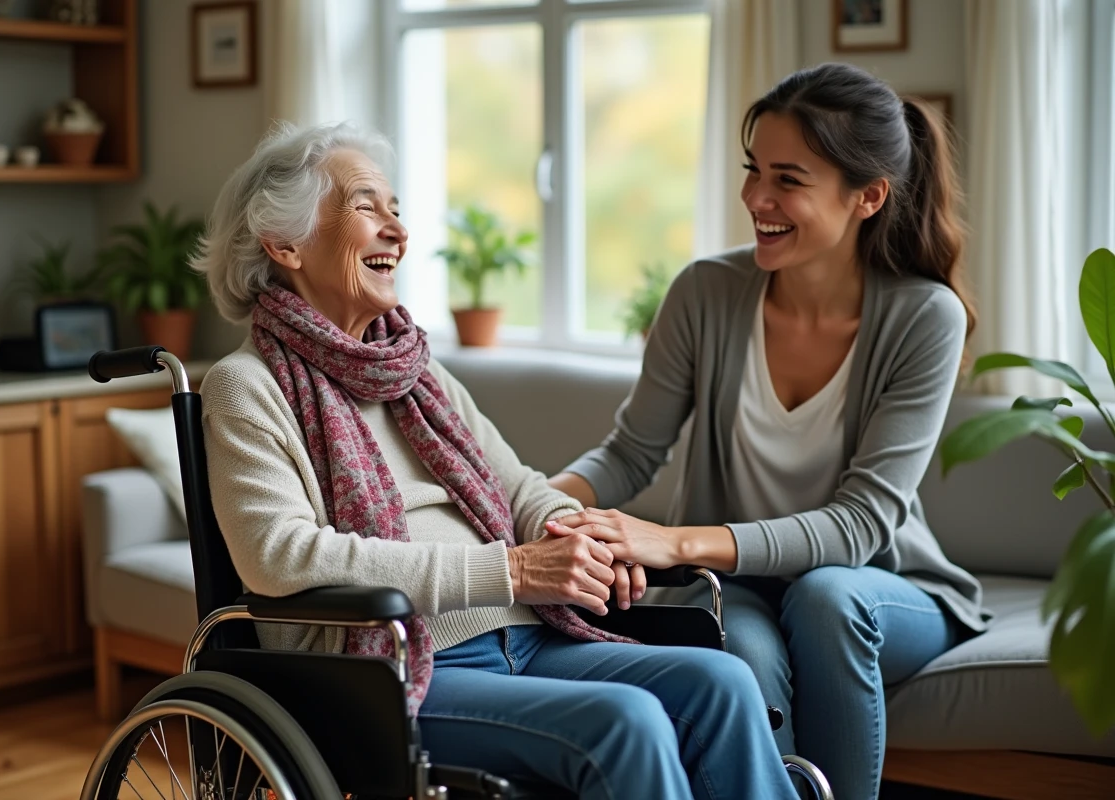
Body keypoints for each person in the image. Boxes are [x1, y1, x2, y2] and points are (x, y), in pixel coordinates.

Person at [191, 120, 802, 799]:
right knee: (626, 723)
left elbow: (518, 487)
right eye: (367, 207)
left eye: (397, 209)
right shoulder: (245, 386)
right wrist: (512, 570)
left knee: (722, 681)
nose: (398, 230)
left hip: (528, 637)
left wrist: (583, 537)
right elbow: (279, 557)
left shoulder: (416, 372)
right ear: (285, 243)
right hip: (390, 671)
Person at [548, 62, 988, 800]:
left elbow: (860, 526)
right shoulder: (705, 293)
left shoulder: (924, 317)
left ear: (868, 197)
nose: (756, 197)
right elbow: (631, 452)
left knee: (825, 598)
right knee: (739, 648)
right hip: (738, 587)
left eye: (789, 179)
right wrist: (532, 504)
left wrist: (675, 541)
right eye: (754, 170)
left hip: (883, 588)